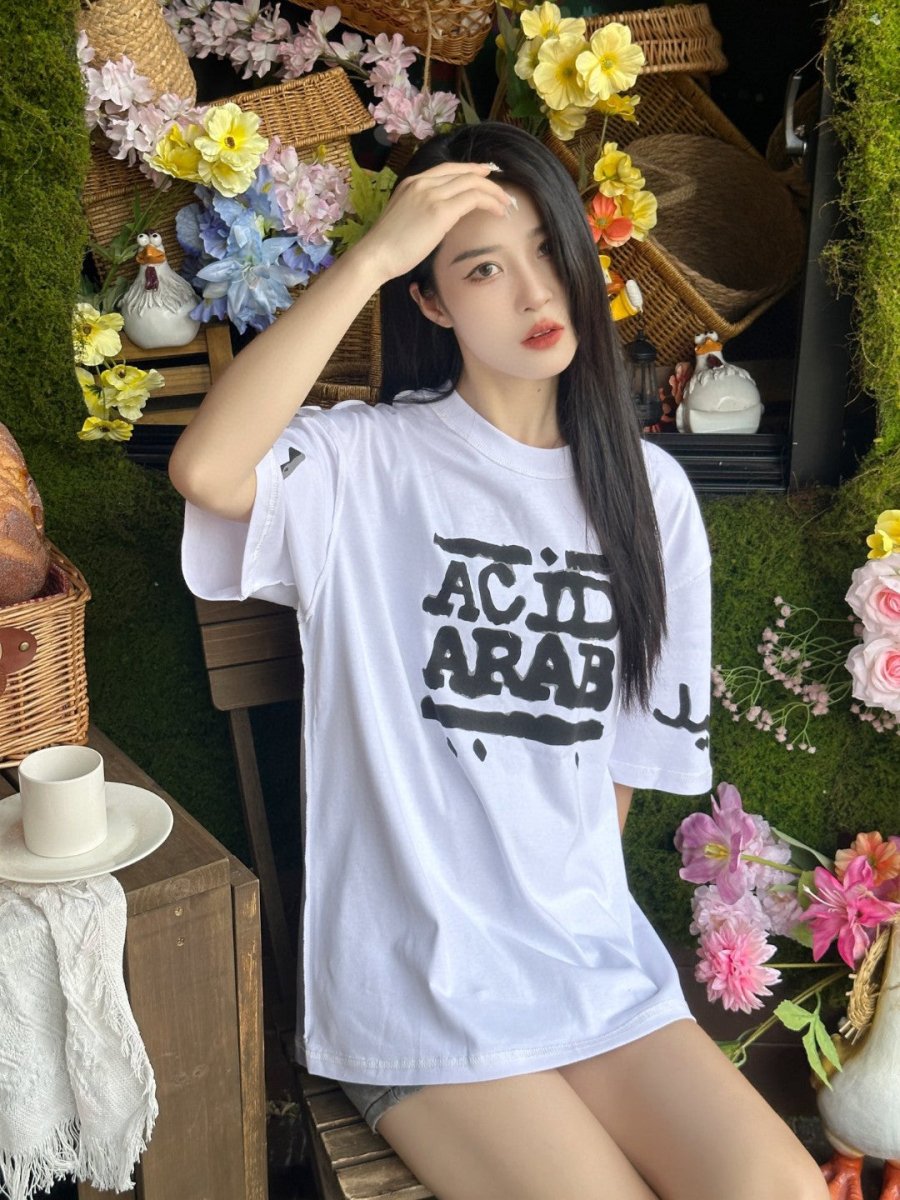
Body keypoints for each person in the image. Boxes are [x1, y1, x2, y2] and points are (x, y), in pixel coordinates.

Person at [170, 122, 828, 1200]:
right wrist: (371, 258)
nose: (533, 292)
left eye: (547, 249)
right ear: (430, 303)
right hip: (416, 984)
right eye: (481, 269)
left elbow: (617, 773)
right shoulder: (365, 463)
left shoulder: (651, 495)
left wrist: (553, 913)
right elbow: (207, 468)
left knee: (783, 1193)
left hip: (585, 962)